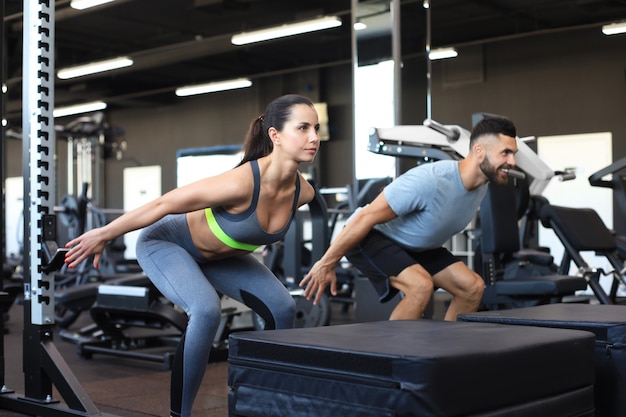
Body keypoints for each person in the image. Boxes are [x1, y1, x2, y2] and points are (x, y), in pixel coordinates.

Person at [64, 94, 321, 417]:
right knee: (205, 309)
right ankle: (180, 414)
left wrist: (327, 263)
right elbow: (163, 204)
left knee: (282, 306)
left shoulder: (303, 191)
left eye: (316, 128)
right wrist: (104, 233)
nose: (314, 137)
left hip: (219, 257)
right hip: (166, 243)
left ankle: (264, 404)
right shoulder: (240, 183)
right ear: (275, 135)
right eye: (303, 128)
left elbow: (324, 216)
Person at [300, 116, 518, 321]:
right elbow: (364, 217)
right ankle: (393, 358)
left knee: (472, 287)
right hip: (371, 236)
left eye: (513, 154)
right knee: (419, 286)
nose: (513, 161)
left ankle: (448, 353)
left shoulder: (481, 185)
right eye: (506, 153)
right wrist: (325, 264)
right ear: (479, 151)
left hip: (417, 246)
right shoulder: (430, 181)